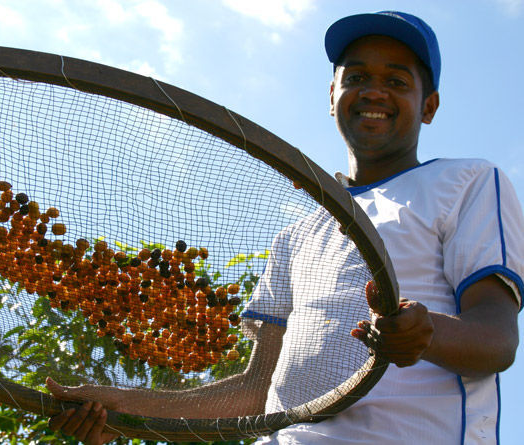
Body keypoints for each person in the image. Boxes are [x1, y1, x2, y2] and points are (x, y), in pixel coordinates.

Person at [45, 11, 524, 444]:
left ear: (429, 106)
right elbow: (258, 390)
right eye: (356, 77)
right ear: (332, 95)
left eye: (397, 81)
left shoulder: (467, 182)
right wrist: (127, 407)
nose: (374, 91)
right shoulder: (297, 235)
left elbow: (497, 339)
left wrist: (424, 333)